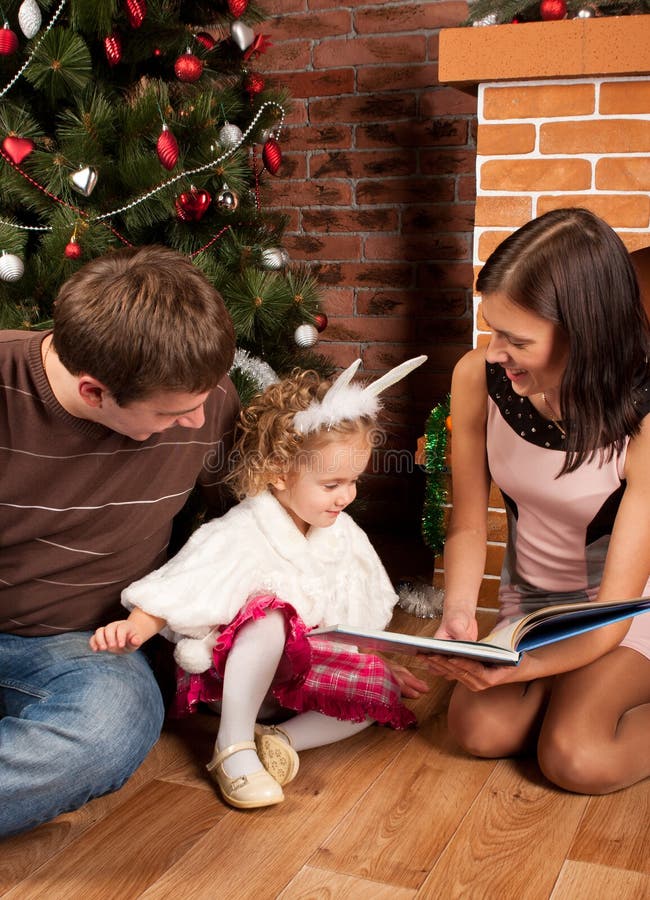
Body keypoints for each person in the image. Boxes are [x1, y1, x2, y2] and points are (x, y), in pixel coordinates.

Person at [91, 358, 430, 810]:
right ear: (278, 471)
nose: (345, 496)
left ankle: (279, 741)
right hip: (237, 682)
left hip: (300, 680)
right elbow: (184, 584)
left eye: (353, 482)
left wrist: (366, 662)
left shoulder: (344, 534)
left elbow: (358, 604)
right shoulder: (242, 529)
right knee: (270, 616)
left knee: (376, 691)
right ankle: (231, 745)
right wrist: (136, 627)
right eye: (332, 483)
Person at [0, 245, 240, 838]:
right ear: (93, 393)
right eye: (172, 412)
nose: (196, 419)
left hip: (80, 646)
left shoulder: (203, 398)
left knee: (111, 729)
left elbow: (245, 532)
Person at [426, 208, 650, 794]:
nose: (495, 350)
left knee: (576, 758)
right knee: (476, 730)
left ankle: (577, 695)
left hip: (622, 619)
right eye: (492, 329)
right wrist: (457, 613)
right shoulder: (478, 377)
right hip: (532, 610)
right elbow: (470, 524)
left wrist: (522, 669)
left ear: (584, 334)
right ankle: (560, 688)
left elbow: (613, 612)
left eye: (516, 339)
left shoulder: (645, 420)